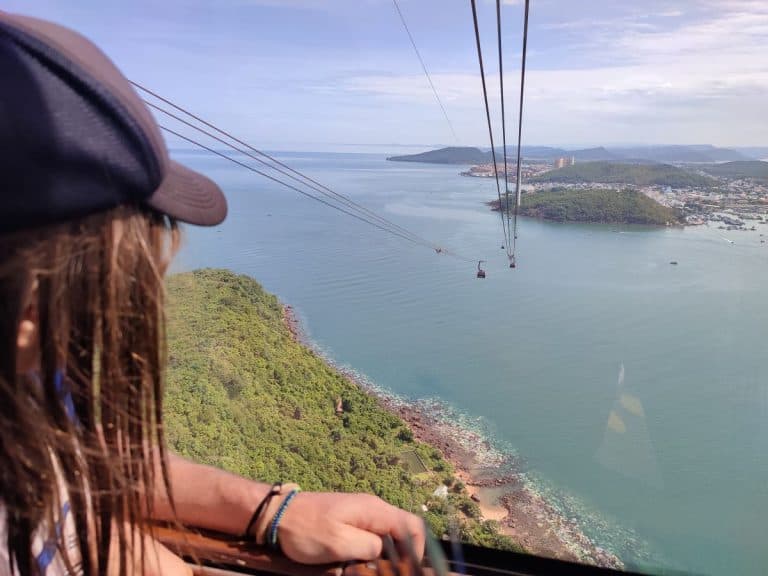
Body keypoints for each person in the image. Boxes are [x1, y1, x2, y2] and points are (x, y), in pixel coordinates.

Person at [0, 11, 425, 576]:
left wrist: (272, 512)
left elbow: (87, 468)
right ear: (30, 311)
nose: (146, 292)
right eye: (122, 284)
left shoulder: (24, 379)